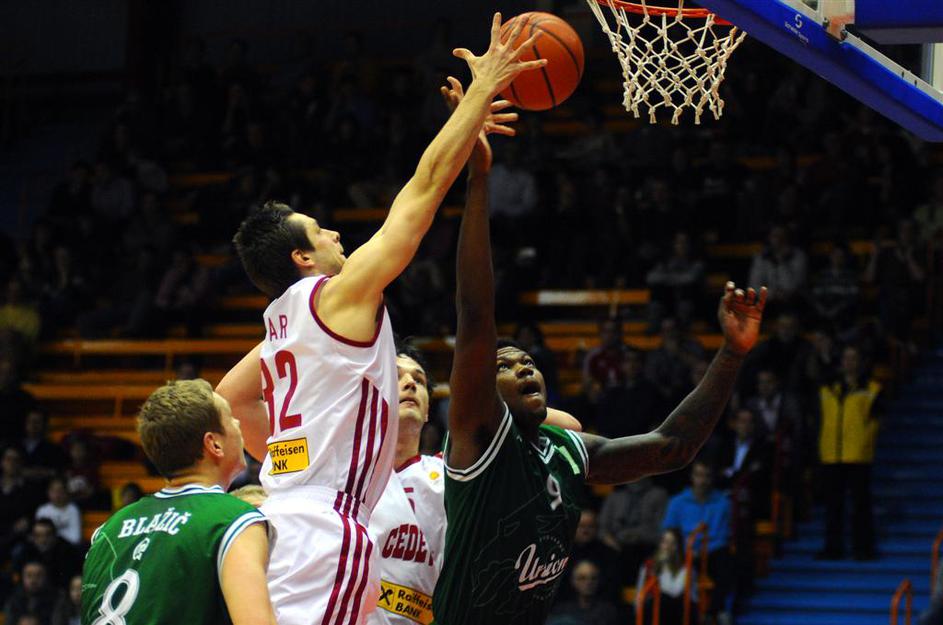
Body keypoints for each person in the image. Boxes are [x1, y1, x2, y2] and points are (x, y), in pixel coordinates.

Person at [215, 16, 546, 625]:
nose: (337, 235)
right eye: (321, 231)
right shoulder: (333, 298)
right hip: (326, 528)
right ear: (302, 257)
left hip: (283, 518)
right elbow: (421, 192)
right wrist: (482, 90)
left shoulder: (279, 326)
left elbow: (228, 400)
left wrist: (291, 461)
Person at [431, 78, 767, 625]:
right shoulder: (476, 437)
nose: (522, 364)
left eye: (526, 360)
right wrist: (479, 180)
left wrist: (731, 353)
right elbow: (475, 312)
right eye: (503, 364)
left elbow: (672, 448)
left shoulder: (567, 450)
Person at [81, 380, 276, 625]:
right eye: (231, 418)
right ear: (214, 444)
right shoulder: (234, 520)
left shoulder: (106, 530)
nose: (238, 424)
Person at [816, 344, 880, 560]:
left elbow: (878, 421)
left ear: (861, 362)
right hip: (831, 455)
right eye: (846, 358)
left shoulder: (872, 389)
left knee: (861, 505)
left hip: (858, 455)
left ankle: (863, 548)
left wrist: (865, 442)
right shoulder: (828, 388)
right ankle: (833, 548)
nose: (849, 362)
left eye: (853, 358)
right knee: (833, 505)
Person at [662, 460, 733, 621]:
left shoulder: (723, 503)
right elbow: (670, 532)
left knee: (727, 565)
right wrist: (687, 550)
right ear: (692, 477)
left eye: (707, 476)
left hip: (713, 552)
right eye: (699, 475)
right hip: (683, 552)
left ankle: (712, 612)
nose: (702, 480)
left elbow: (723, 536)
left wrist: (701, 551)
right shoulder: (677, 502)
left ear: (712, 478)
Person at [635, 529, 693, 625]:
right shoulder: (648, 563)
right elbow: (640, 590)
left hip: (674, 608)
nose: (667, 546)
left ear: (677, 547)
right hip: (652, 607)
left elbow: (674, 591)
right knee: (650, 604)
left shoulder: (684, 567)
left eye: (672, 543)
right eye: (664, 541)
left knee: (663, 599)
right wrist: (638, 610)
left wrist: (664, 567)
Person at [548, 560, 622, 625]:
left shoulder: (608, 612)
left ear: (599, 580)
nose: (588, 583)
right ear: (573, 581)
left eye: (593, 578)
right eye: (582, 578)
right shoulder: (561, 611)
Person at [4, 561, 62, 625]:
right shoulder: (14, 599)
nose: (33, 580)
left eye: (38, 575)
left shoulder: (56, 599)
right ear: (23, 577)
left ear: (45, 577)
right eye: (29, 575)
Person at [34, 478, 81, 546]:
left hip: (68, 547)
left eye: (60, 490)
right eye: (53, 491)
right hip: (46, 547)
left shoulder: (73, 510)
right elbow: (38, 535)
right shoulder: (42, 510)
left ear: (66, 492)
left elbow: (76, 538)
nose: (57, 494)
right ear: (48, 492)